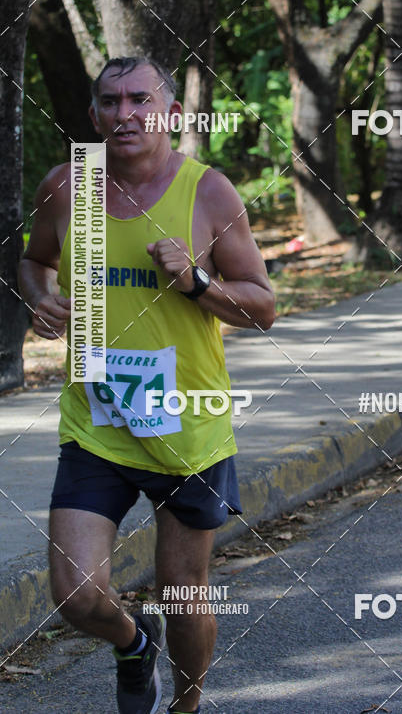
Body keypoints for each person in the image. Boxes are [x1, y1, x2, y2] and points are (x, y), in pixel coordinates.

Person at [18, 56, 275, 714]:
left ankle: (185, 704)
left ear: (172, 113)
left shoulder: (209, 192)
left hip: (187, 430)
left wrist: (195, 282)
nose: (125, 114)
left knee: (184, 596)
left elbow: (262, 307)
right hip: (96, 423)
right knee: (75, 595)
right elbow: (34, 261)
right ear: (93, 115)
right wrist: (41, 301)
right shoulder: (65, 187)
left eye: (140, 99)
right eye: (110, 102)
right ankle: (135, 645)